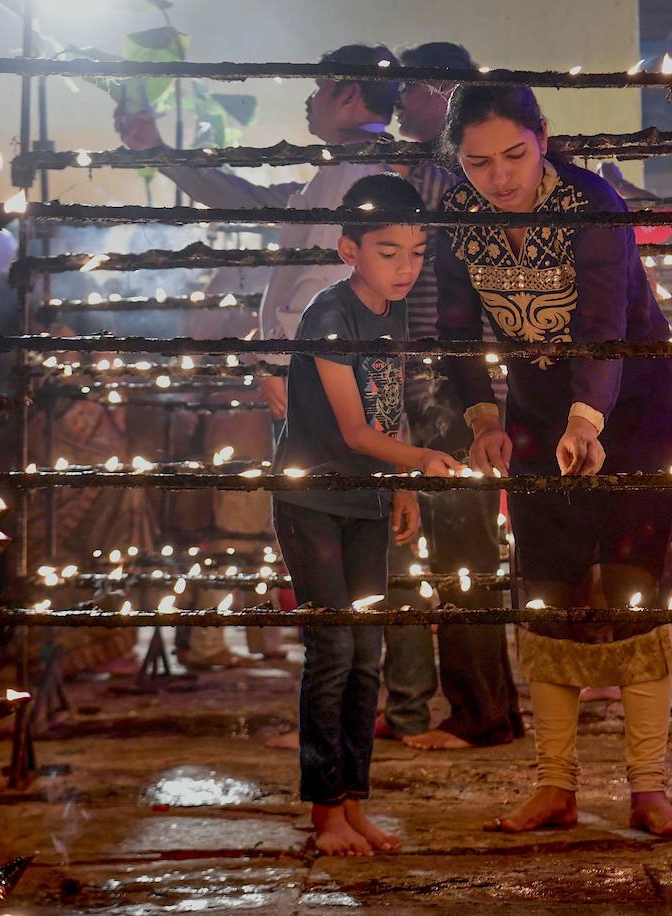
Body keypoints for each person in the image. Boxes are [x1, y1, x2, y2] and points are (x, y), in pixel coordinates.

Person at [436, 83, 672, 837]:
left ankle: (648, 788)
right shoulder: (457, 214)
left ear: (543, 137)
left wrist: (590, 420)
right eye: (478, 161)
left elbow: (603, 324)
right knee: (546, 584)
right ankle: (555, 784)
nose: (500, 177)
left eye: (515, 155)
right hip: (535, 406)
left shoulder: (593, 204)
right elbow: (457, 327)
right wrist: (484, 416)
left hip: (631, 399)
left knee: (631, 585)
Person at [116, 43, 402, 669]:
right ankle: (355, 700)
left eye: (319, 87)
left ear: (348, 96)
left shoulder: (364, 178)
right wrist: (157, 151)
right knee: (337, 541)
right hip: (326, 376)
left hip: (325, 379)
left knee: (332, 542)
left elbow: (325, 290)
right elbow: (249, 201)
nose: (308, 99)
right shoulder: (339, 172)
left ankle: (352, 704)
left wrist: (280, 364)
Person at [272, 173, 461, 855]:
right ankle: (325, 814)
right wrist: (421, 462)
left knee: (368, 656)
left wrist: (402, 488)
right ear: (349, 249)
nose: (405, 267)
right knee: (333, 652)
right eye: (389, 251)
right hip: (314, 501)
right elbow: (355, 431)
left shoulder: (394, 309)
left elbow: (393, 403)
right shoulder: (330, 316)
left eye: (416, 252)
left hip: (369, 500)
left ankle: (353, 804)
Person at [380, 41, 524, 752]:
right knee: (458, 555)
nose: (398, 101)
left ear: (442, 91)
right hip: (442, 381)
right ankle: (483, 708)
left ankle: (483, 715)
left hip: (449, 385)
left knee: (463, 555)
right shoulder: (436, 172)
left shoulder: (447, 175)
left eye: (409, 88)